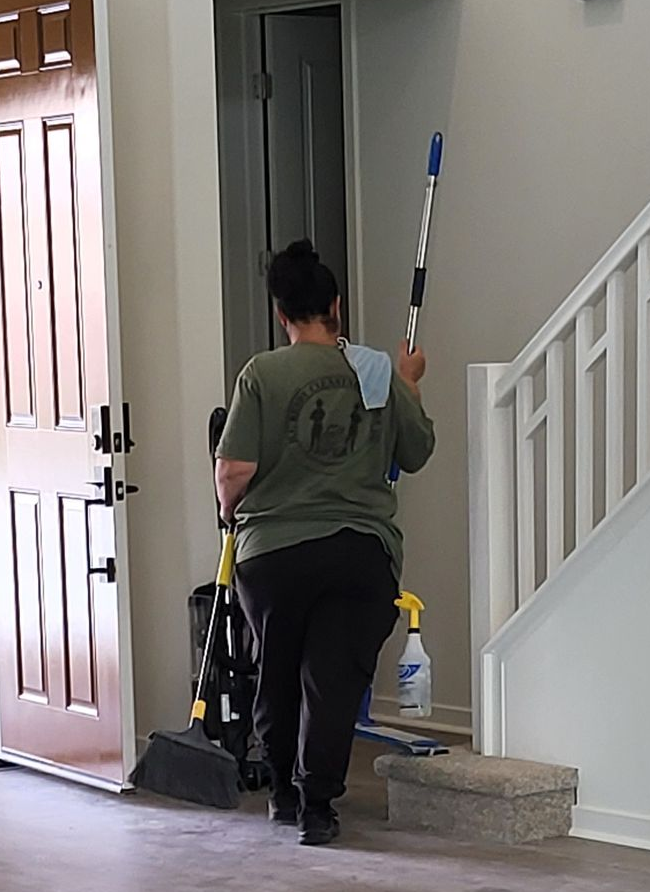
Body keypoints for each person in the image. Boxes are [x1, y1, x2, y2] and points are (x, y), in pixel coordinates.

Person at [215, 239, 436, 846]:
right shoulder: (376, 369)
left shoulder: (261, 373)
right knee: (333, 681)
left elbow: (234, 469)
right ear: (336, 305)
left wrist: (229, 514)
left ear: (280, 313)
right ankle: (317, 808)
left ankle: (282, 795)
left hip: (273, 553)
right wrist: (409, 383)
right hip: (359, 551)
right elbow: (417, 450)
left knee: (277, 672)